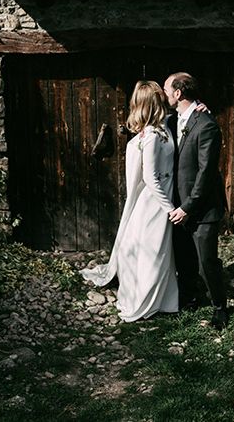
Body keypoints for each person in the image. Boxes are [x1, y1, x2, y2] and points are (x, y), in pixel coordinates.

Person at [80, 80, 178, 321]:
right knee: (153, 252)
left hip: (159, 198)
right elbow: (150, 177)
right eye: (160, 97)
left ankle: (163, 300)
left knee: (158, 251)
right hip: (156, 202)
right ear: (154, 103)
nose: (165, 99)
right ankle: (144, 300)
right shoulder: (153, 135)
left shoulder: (159, 127)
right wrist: (171, 208)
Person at [164, 72, 229, 329]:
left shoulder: (207, 125)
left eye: (167, 88)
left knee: (207, 262)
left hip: (202, 208)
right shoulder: (171, 121)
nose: (164, 93)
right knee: (184, 258)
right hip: (178, 205)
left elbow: (206, 173)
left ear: (178, 93)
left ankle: (220, 308)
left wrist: (188, 207)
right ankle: (189, 298)